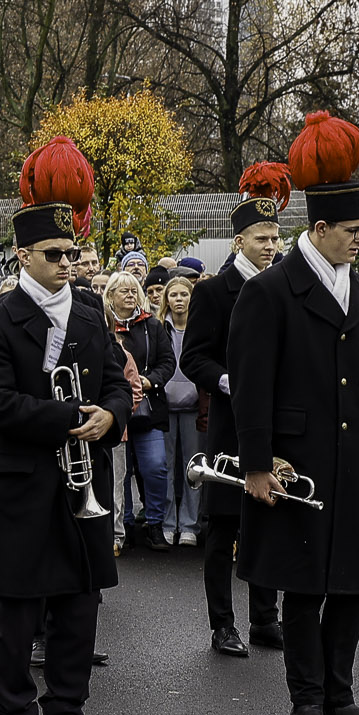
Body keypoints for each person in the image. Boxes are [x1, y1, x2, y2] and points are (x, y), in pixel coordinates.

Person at [228, 113, 359, 715]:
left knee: (354, 580)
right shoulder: (270, 292)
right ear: (319, 227)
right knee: (303, 585)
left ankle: (339, 695)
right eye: (353, 232)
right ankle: (305, 701)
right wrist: (256, 463)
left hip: (353, 459)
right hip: (296, 460)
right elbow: (250, 388)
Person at [0, 137, 128, 715]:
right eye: (55, 254)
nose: (68, 263)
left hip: (83, 489)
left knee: (79, 612)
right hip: (25, 485)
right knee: (19, 616)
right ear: (24, 255)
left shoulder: (91, 316)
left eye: (74, 253)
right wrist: (70, 417)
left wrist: (111, 412)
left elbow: (117, 379)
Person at [180, 178, 286, 655]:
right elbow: (194, 358)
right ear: (239, 240)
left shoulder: (284, 287)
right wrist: (230, 382)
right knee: (223, 530)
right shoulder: (213, 292)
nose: (271, 246)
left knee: (268, 523)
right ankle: (222, 624)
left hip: (276, 424)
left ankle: (266, 618)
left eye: (275, 237)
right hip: (229, 425)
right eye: (262, 238)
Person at [103, 271, 173, 552]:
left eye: (134, 291)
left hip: (147, 407)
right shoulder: (103, 325)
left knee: (155, 466)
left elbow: (168, 361)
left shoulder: (152, 326)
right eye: (124, 291)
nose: (131, 296)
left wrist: (149, 380)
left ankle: (155, 523)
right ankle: (126, 525)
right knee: (121, 471)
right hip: (115, 410)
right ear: (110, 296)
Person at [158, 275, 202, 547]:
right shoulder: (159, 328)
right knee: (165, 468)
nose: (178, 300)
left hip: (194, 408)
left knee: (194, 469)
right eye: (173, 295)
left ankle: (189, 525)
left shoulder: (200, 327)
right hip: (164, 407)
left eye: (183, 295)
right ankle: (167, 522)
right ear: (166, 300)